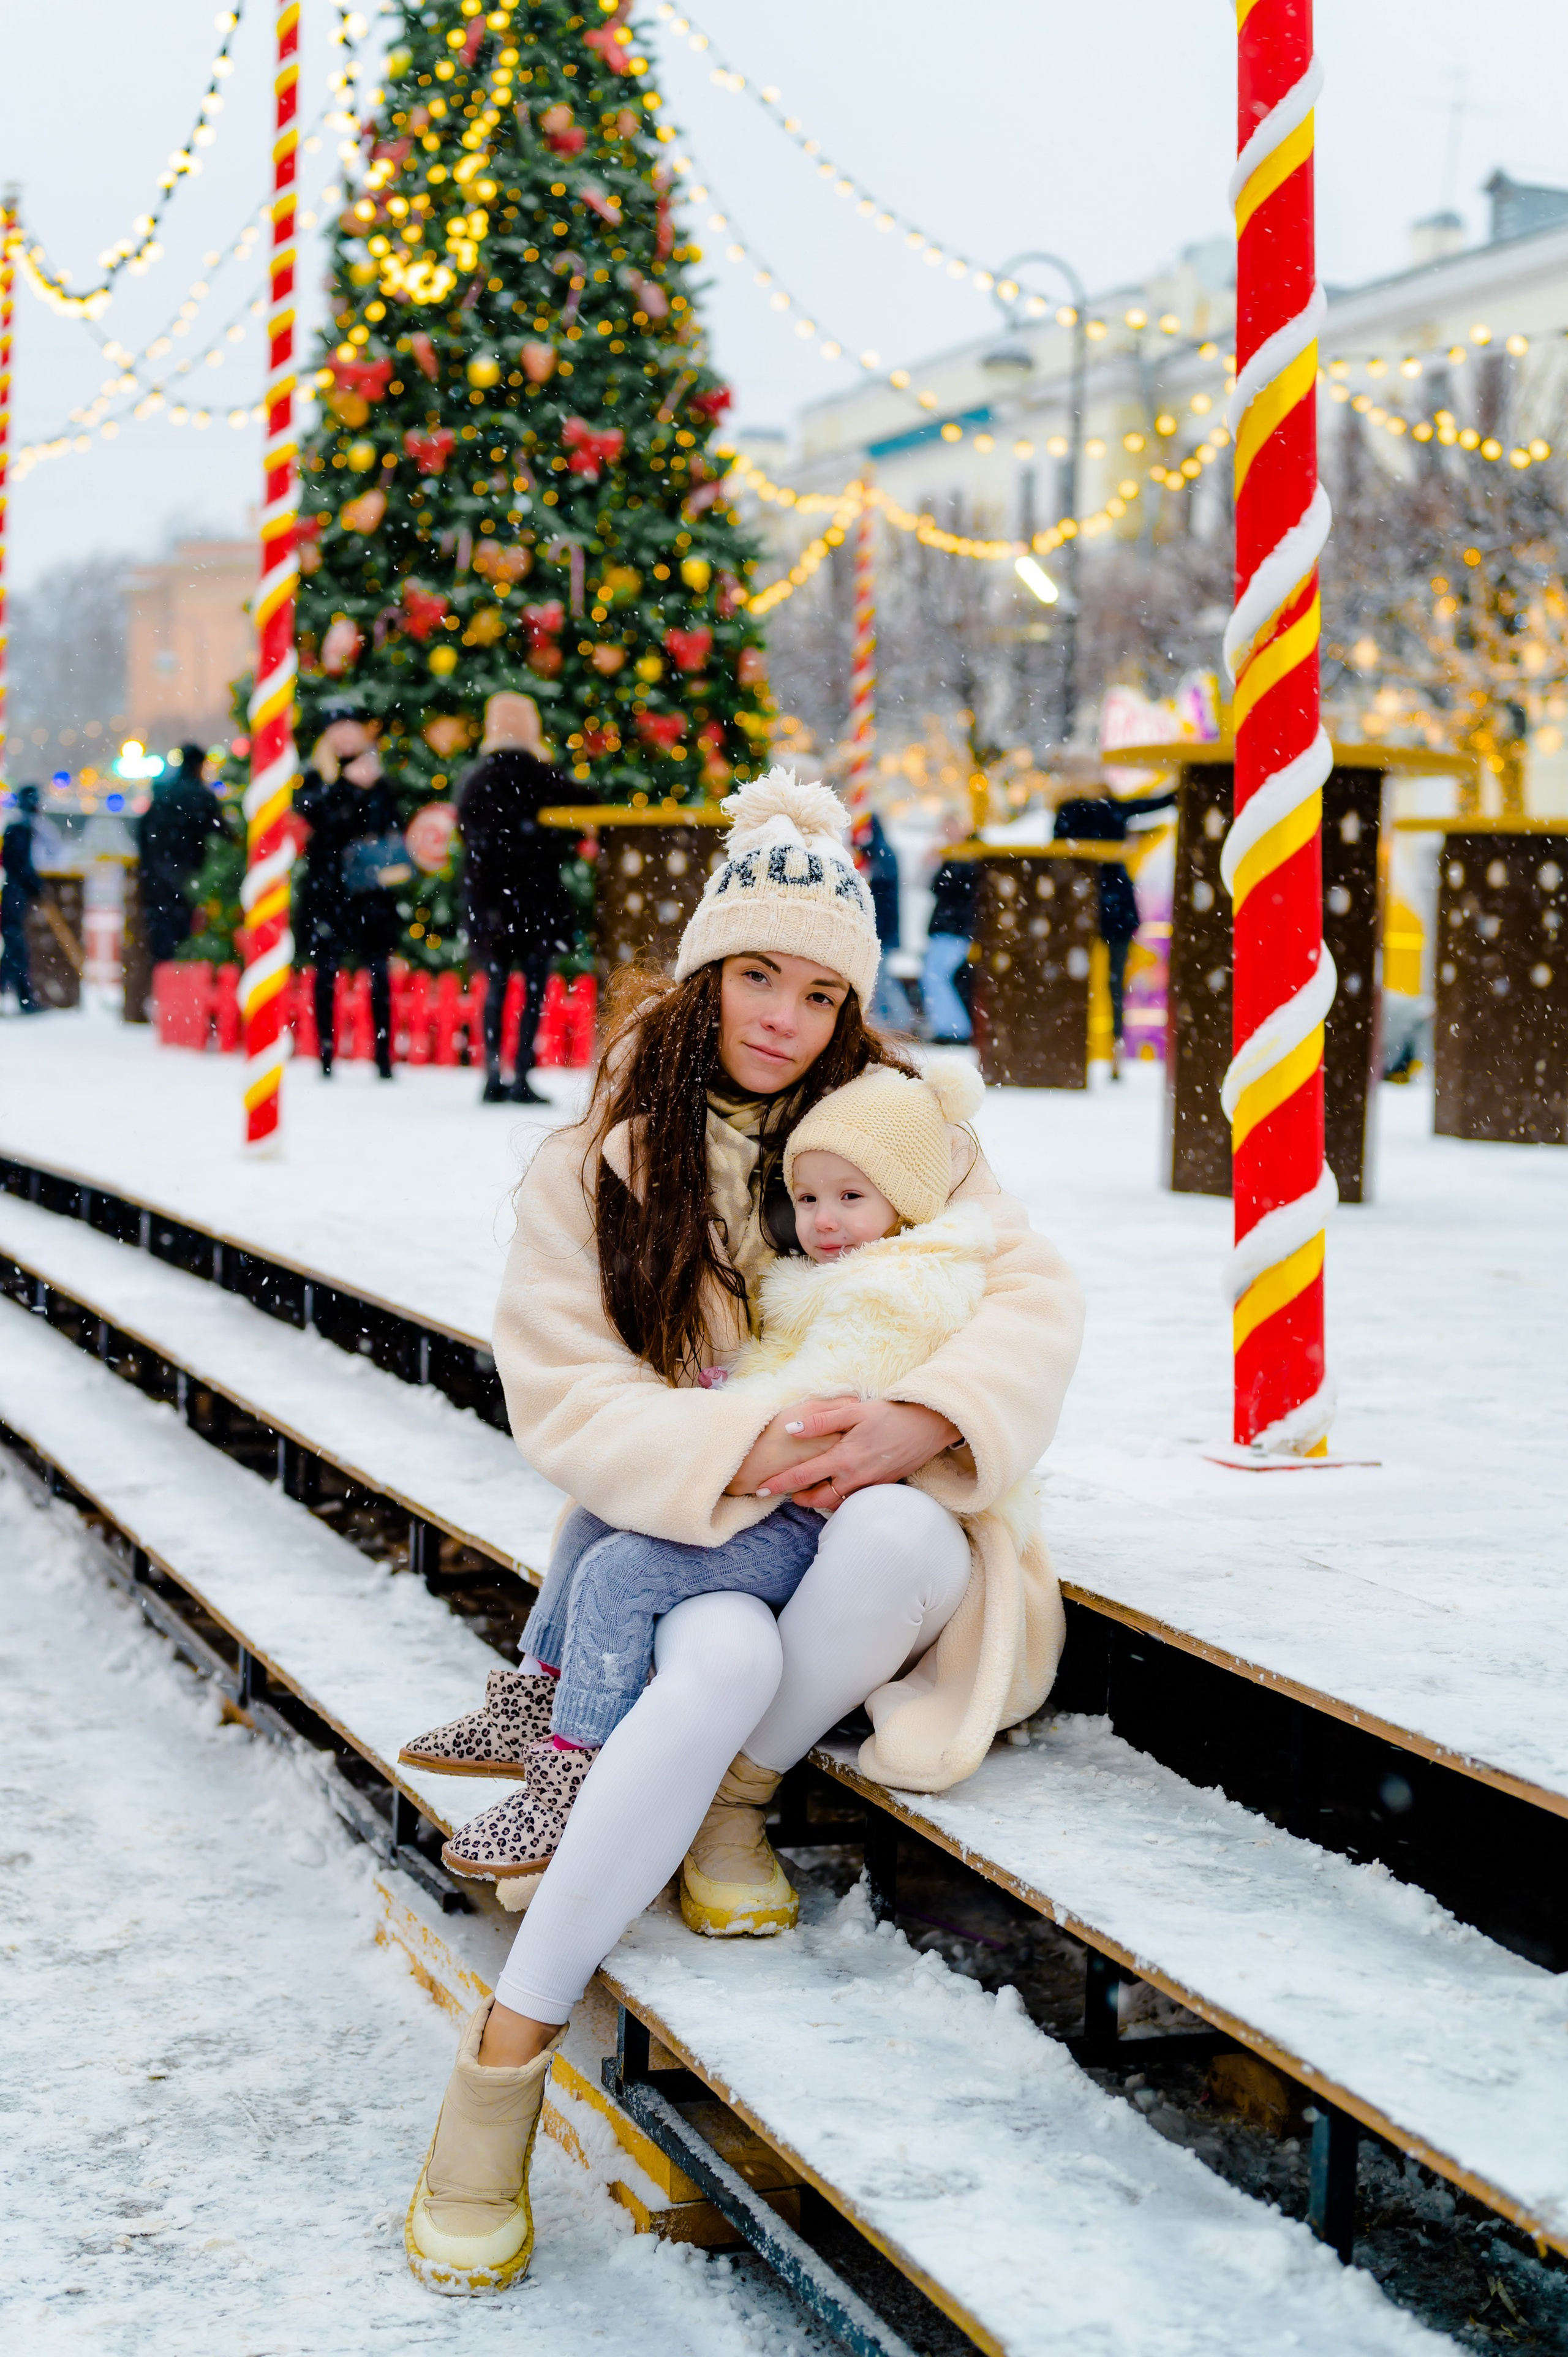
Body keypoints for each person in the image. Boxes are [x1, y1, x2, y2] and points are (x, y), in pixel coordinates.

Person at [401, 769, 1083, 2296]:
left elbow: (1028, 1287)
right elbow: (565, 1388)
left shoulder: (895, 1122)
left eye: (820, 986)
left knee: (908, 1534)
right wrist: (741, 1439)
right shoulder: (600, 1155)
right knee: (704, 1667)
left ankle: (727, 1802)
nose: (783, 1014)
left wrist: (927, 1414)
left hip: (848, 1521)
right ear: (709, 965)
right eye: (759, 974)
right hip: (692, 1521)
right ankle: (503, 2055)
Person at [404, 1055, 1001, 1909]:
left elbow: (821, 1412)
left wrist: (732, 1413)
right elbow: (787, 1375)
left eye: (852, 1199)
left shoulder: (899, 1287)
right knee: (592, 1520)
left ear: (904, 1201)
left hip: (817, 1520)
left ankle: (573, 1776)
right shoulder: (829, 1273)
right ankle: (536, 1696)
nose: (825, 1221)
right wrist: (737, 1399)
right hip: (781, 1489)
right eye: (811, 1198)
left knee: (620, 1574)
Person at [455, 692, 575, 1104]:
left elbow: (468, 836)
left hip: (489, 900)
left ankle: (491, 1072)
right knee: (535, 987)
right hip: (536, 898)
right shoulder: (544, 776)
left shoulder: (476, 780)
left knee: (495, 985)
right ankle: (523, 1071)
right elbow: (583, 808)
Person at [295, 707, 409, 1080]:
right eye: (337, 729)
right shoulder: (316, 777)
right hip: (326, 891)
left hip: (369, 892)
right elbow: (316, 819)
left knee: (379, 973)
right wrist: (345, 784)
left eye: (351, 729)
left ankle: (383, 1059)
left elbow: (389, 828)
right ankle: (326, 1057)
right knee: (326, 972)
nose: (344, 737)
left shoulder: (380, 781)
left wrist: (364, 789)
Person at [1053, 777, 1177, 1076]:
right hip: (1116, 904)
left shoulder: (1067, 811)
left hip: (1079, 902)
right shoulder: (1114, 808)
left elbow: (1057, 852)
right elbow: (1157, 803)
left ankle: (1067, 1049)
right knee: (1115, 983)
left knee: (1072, 978)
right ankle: (1116, 1052)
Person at [135, 743, 222, 965]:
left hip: (158, 875)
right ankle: (180, 983)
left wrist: (148, 868)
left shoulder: (164, 793)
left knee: (161, 937)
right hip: (188, 876)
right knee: (184, 937)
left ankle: (163, 982)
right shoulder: (203, 797)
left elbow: (144, 832)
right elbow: (219, 835)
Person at [852, 806, 913, 1032]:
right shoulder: (881, 851)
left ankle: (900, 1020)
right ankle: (891, 1020)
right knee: (879, 977)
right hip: (883, 927)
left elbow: (879, 878)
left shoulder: (883, 853)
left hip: (882, 928)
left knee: (881, 978)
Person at [921, 816, 979, 1044]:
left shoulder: (964, 856)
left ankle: (952, 1028)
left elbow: (941, 888)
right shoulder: (960, 855)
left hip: (953, 928)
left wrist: (938, 861)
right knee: (938, 976)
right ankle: (952, 1027)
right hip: (953, 927)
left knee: (936, 976)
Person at [1, 784, 44, 1013]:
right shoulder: (21, 827)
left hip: (13, 893)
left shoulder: (18, 825)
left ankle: (25, 1000)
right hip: (13, 895)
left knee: (15, 949)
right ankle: (25, 1000)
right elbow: (20, 865)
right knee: (15, 949)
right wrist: (36, 885)